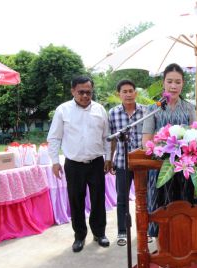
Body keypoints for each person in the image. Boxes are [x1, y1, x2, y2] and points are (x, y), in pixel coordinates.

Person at [142, 63, 197, 268]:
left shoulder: (189, 108)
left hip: (184, 171)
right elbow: (146, 139)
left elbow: (196, 136)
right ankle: (163, 265)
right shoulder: (154, 108)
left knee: (182, 216)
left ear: (183, 84)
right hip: (160, 172)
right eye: (169, 81)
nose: (173, 85)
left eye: (178, 81)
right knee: (161, 216)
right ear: (163, 83)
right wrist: (159, 148)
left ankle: (178, 264)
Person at [47, 75, 111, 253]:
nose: (85, 95)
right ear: (73, 91)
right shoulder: (63, 110)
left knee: (98, 199)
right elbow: (54, 138)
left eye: (88, 92)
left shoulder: (100, 110)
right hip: (73, 164)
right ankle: (79, 236)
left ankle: (99, 233)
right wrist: (54, 162)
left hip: (96, 163)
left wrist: (108, 157)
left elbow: (107, 137)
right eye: (81, 92)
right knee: (76, 200)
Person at [108, 79, 145, 247]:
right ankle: (122, 231)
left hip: (142, 163)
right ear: (119, 94)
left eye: (131, 91)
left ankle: (145, 230)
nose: (128, 94)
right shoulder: (113, 113)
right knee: (122, 198)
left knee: (143, 198)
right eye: (125, 91)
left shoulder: (146, 111)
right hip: (122, 163)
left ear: (135, 93)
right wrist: (110, 159)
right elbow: (112, 140)